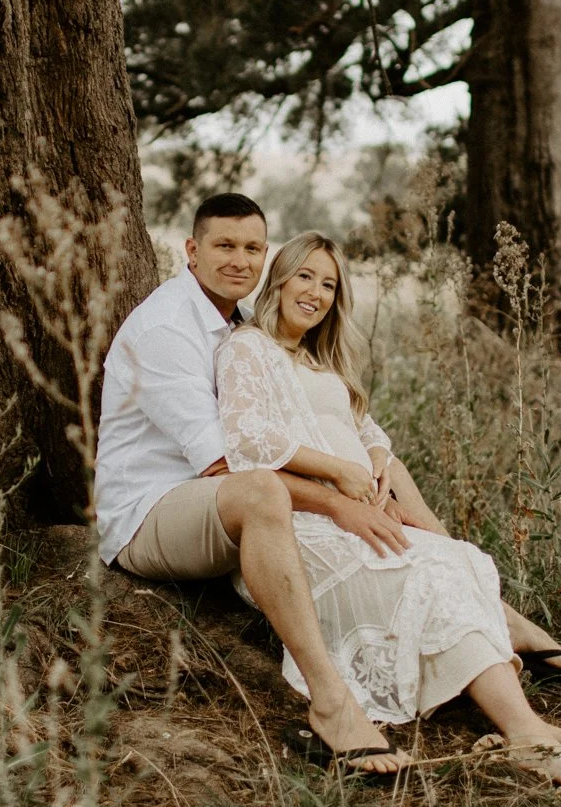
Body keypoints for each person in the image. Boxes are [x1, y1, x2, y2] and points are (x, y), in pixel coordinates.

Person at [215, 232, 561, 792]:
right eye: (305, 277)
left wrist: (374, 457)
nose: (316, 293)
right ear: (279, 279)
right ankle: (524, 729)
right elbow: (248, 442)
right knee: (430, 571)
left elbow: (366, 428)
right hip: (299, 523)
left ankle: (525, 727)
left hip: (355, 513)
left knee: (452, 564)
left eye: (329, 285)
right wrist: (339, 472)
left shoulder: (321, 359)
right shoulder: (248, 348)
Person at [95, 193, 414, 776]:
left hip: (215, 505)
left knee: (386, 473)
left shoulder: (239, 324)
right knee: (264, 490)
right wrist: (337, 502)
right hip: (149, 513)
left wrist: (367, 474)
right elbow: (225, 465)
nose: (239, 260)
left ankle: (476, 610)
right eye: (224, 245)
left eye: (252, 248)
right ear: (191, 251)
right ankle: (332, 703)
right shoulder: (167, 329)